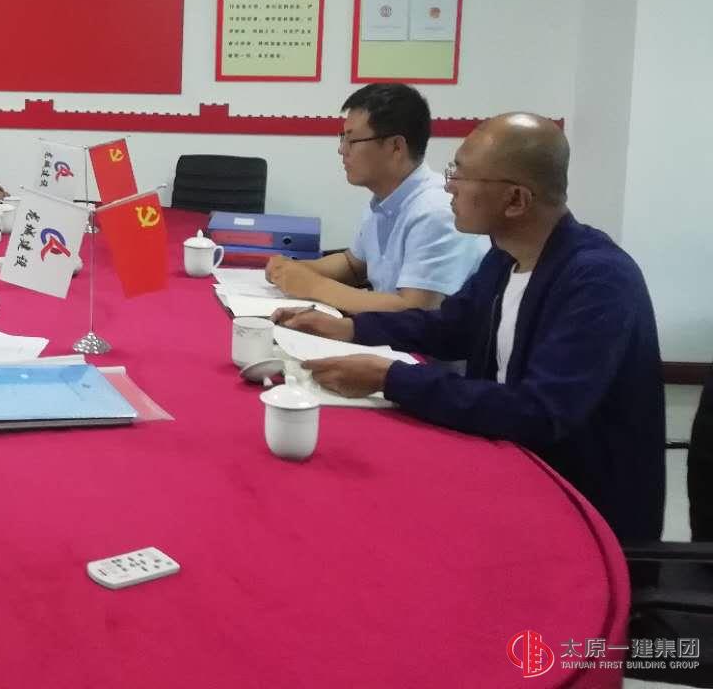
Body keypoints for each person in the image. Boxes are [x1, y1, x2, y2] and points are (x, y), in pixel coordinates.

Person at [276, 114, 665, 542]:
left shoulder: (598, 280)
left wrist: (391, 378)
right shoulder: (505, 257)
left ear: (515, 200)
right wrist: (349, 328)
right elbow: (450, 328)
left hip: (577, 514)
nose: (449, 187)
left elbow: (540, 412)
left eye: (460, 175)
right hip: (504, 468)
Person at [266, 83, 487, 314]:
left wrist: (314, 286)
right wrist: (293, 270)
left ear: (396, 147)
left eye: (352, 140)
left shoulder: (436, 211)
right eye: (342, 138)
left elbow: (414, 310)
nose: (342, 150)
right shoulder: (384, 200)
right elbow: (352, 265)